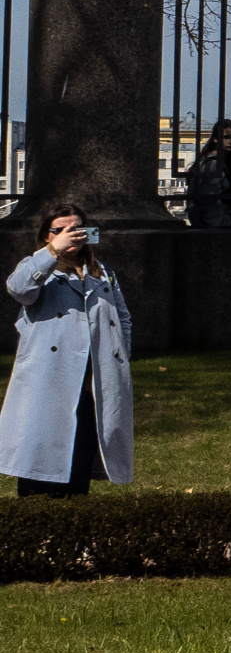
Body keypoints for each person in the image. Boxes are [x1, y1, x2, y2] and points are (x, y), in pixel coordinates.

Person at [0, 210, 133, 497]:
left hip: (93, 377)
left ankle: (73, 526)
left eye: (77, 228)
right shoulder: (38, 268)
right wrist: (51, 252)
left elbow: (122, 316)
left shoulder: (102, 272)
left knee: (82, 447)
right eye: (60, 230)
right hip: (50, 375)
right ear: (46, 236)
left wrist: (120, 357)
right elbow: (19, 289)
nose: (71, 234)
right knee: (41, 450)